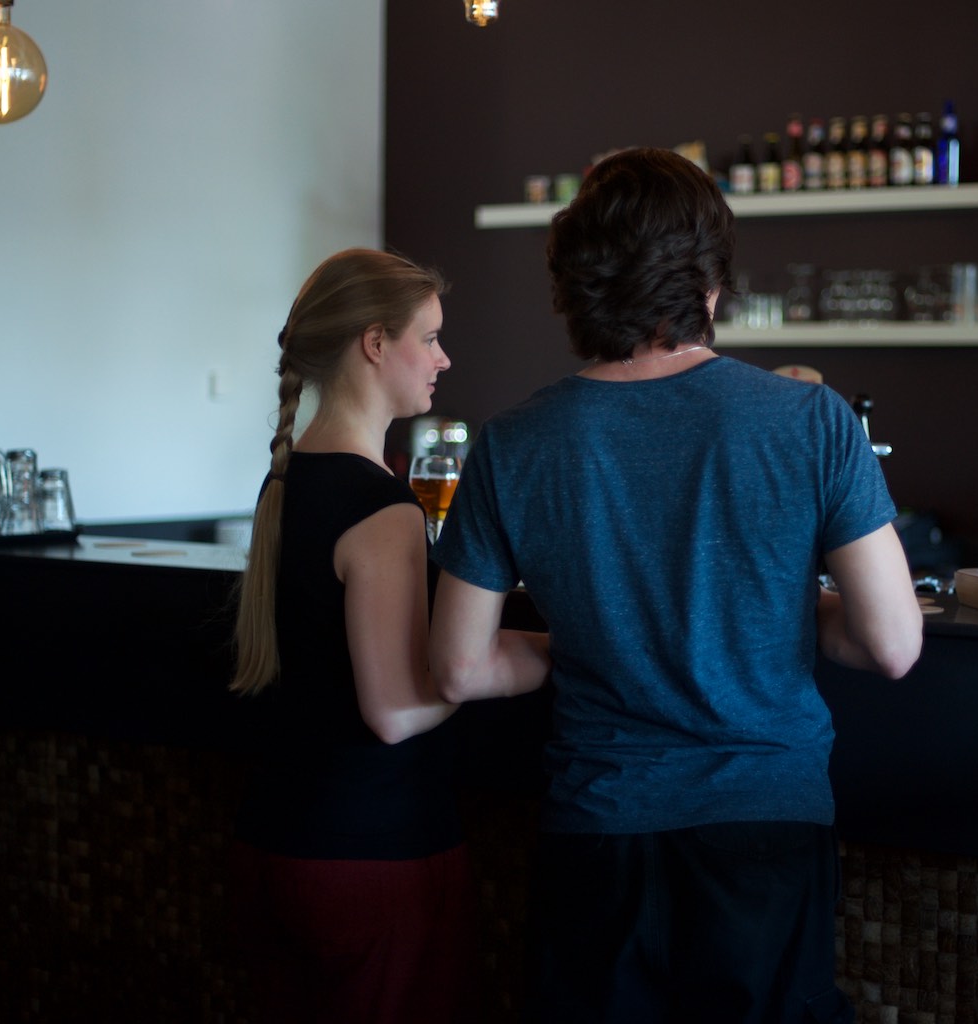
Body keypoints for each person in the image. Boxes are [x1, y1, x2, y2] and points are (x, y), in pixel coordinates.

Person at [428, 147, 924, 1024]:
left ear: (575, 284)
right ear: (708, 282)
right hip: (764, 826)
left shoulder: (511, 443)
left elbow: (459, 669)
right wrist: (774, 605)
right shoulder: (811, 420)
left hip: (598, 829)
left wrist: (599, 633)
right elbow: (888, 642)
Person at [226, 248, 477, 1022]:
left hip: (275, 844)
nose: (443, 358)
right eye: (428, 338)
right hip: (371, 859)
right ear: (374, 343)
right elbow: (394, 712)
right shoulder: (383, 508)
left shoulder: (284, 481)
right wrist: (520, 662)